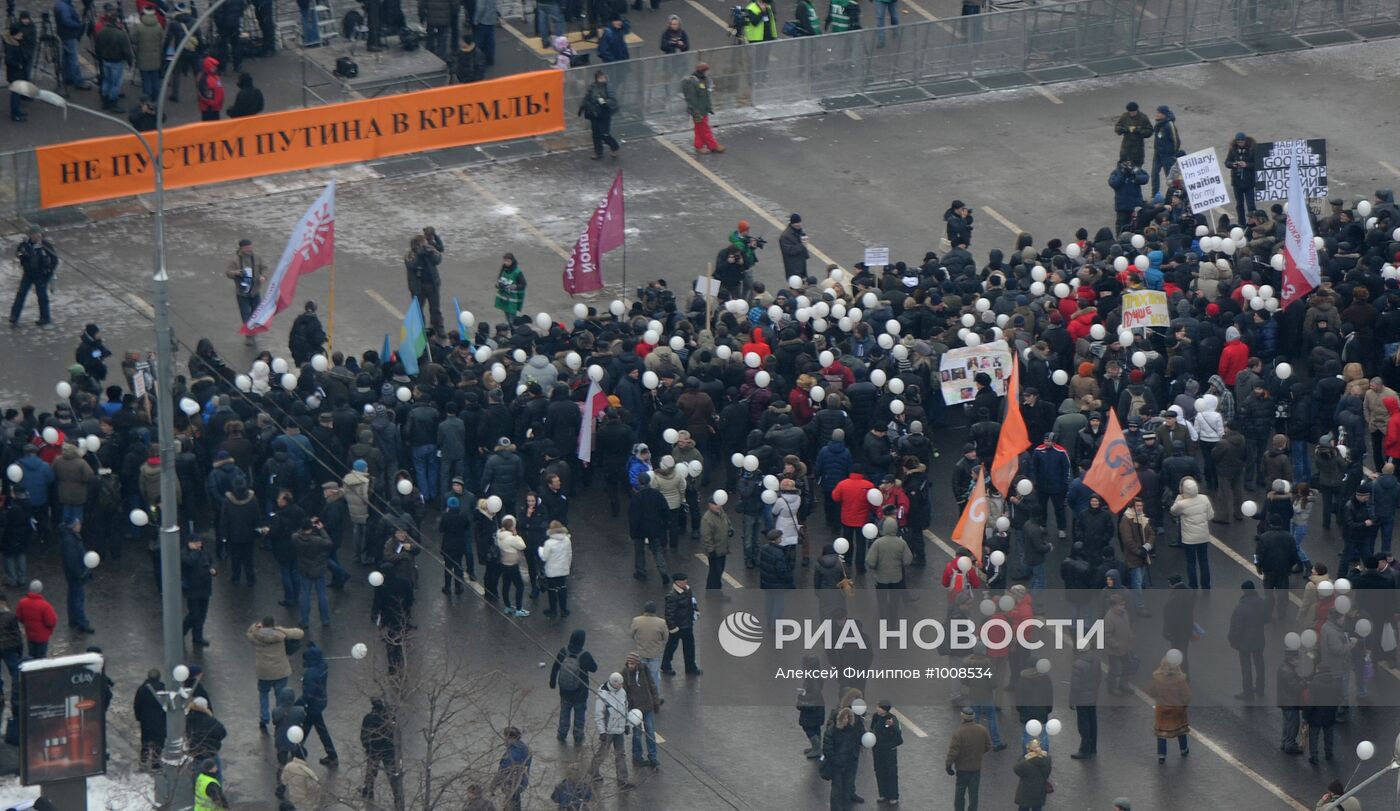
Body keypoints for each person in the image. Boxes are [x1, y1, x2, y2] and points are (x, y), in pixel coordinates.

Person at [246, 616, 305, 732]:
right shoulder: (280, 635)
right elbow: (300, 633)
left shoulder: (256, 636)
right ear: (273, 624)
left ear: (263, 624)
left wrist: (255, 626)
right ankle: (279, 718)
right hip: (280, 672)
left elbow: (249, 633)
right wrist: (281, 629)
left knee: (263, 694)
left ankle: (264, 719)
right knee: (280, 696)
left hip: (264, 673)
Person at [550, 628, 598, 744]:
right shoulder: (585, 655)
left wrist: (552, 682)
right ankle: (578, 737)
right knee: (579, 716)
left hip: (565, 691)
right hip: (580, 693)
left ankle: (562, 733)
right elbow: (594, 668)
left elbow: (555, 667)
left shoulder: (563, 651)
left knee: (564, 713)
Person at [590, 672, 634, 788]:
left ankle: (622, 780)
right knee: (602, 753)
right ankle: (593, 771)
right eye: (620, 684)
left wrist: (626, 724)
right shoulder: (603, 695)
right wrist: (602, 731)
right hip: (608, 731)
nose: (622, 686)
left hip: (619, 730)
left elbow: (625, 709)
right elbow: (599, 715)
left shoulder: (622, 692)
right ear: (614, 683)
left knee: (620, 755)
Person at [945, 705, 992, 811]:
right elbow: (988, 746)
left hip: (962, 769)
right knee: (974, 795)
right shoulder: (982, 730)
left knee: (960, 793)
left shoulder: (958, 733)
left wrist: (948, 765)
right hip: (976, 768)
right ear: (973, 717)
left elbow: (953, 752)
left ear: (962, 717)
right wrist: (978, 753)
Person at [1227, 581, 1268, 699]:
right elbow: (1267, 619)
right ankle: (1260, 688)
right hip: (1259, 639)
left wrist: (1232, 639)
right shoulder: (1262, 603)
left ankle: (1248, 692)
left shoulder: (1241, 607)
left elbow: (1237, 627)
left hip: (1245, 642)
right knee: (1260, 664)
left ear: (1244, 591)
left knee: (1246, 667)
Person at [11, 228, 59, 328]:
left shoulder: (45, 245)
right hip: (28, 274)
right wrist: (22, 255)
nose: (37, 236)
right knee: (21, 294)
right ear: (30, 235)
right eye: (34, 234)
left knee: (42, 297)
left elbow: (54, 259)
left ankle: (45, 318)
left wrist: (49, 270)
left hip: (41, 275)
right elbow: (18, 253)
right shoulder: (25, 244)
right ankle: (14, 317)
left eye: (38, 233)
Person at [300, 642, 338, 766]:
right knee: (314, 727)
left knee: (313, 728)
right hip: (321, 701)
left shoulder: (310, 674)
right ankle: (331, 755)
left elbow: (308, 695)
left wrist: (297, 703)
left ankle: (298, 748)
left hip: (313, 705)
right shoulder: (323, 665)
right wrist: (313, 646)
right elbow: (318, 655)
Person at [1170, 477, 1213, 589]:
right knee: (1204, 561)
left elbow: (1173, 511)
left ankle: (1193, 586)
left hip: (1189, 539)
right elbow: (1210, 515)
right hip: (1203, 536)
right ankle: (1206, 585)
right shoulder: (1204, 498)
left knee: (1191, 563)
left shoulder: (1182, 503)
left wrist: (1179, 498)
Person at [359, 698, 404, 806]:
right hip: (389, 750)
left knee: (371, 770)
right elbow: (396, 734)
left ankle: (368, 790)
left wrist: (367, 747)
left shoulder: (369, 718)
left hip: (374, 749)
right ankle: (397, 797)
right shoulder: (390, 717)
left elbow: (364, 736)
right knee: (391, 773)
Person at [1149, 655, 1190, 763]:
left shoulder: (1158, 679)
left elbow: (1152, 692)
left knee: (1162, 733)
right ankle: (1184, 749)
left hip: (1162, 709)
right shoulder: (1180, 680)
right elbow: (1186, 695)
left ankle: (1161, 755)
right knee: (1180, 730)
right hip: (1177, 709)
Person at [622, 651, 659, 768]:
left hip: (647, 706)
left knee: (650, 733)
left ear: (637, 663)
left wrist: (656, 701)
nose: (631, 666)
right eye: (629, 663)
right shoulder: (624, 674)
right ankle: (637, 757)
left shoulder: (644, 669)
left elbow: (652, 685)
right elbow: (623, 694)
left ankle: (653, 757)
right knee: (637, 735)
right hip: (635, 709)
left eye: (633, 663)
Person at [822, 706, 862, 810]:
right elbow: (828, 750)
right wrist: (837, 761)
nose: (846, 720)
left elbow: (856, 744)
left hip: (848, 766)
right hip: (837, 768)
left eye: (848, 718)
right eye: (844, 718)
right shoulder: (831, 732)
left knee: (847, 791)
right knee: (837, 791)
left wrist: (852, 758)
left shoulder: (852, 730)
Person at [661, 572, 701, 675]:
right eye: (684, 580)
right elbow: (669, 614)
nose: (686, 581)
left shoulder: (687, 590)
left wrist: (695, 611)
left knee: (690, 647)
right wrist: (673, 628)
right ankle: (666, 666)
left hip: (687, 624)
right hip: (678, 627)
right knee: (672, 647)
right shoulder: (672, 596)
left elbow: (692, 602)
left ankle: (691, 667)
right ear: (678, 582)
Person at [94, 7, 132, 113]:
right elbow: (127, 51)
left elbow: (97, 46)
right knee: (116, 84)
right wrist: (130, 61)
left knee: (107, 81)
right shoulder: (121, 34)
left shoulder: (101, 32)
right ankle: (113, 103)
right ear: (116, 20)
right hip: (117, 62)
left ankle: (105, 101)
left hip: (105, 60)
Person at [226, 239, 268, 337]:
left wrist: (264, 276)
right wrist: (237, 273)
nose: (249, 249)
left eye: (250, 246)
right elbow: (228, 273)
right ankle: (248, 335)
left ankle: (252, 329)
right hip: (242, 293)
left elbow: (264, 268)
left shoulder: (257, 258)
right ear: (242, 248)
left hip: (255, 291)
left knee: (256, 313)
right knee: (245, 315)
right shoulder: (235, 260)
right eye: (247, 247)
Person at [180, 536, 215, 646]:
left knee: (202, 615)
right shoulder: (185, 553)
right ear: (190, 543)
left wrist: (213, 570)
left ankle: (197, 637)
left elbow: (210, 562)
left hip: (205, 588)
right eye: (196, 543)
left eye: (200, 543)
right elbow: (189, 562)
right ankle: (181, 632)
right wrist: (195, 552)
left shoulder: (205, 551)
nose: (199, 545)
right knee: (194, 614)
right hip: (192, 588)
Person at [681, 63, 723, 155]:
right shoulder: (693, 82)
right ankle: (713, 146)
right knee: (704, 128)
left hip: (702, 109)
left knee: (699, 128)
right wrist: (696, 111)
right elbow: (691, 98)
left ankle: (699, 146)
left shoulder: (702, 80)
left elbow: (704, 96)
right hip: (698, 110)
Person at [578, 70, 620, 160]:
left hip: (604, 114)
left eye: (604, 77)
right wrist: (581, 107)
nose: (603, 79)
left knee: (604, 134)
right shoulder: (593, 87)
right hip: (594, 113)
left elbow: (613, 100)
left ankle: (614, 146)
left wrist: (605, 102)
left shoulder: (608, 87)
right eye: (600, 78)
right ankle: (598, 153)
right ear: (597, 78)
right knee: (595, 135)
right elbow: (587, 97)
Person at [870, 699, 902, 804]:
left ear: (885, 710)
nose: (877, 709)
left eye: (879, 707)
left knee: (891, 772)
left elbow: (898, 732)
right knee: (879, 771)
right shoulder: (876, 716)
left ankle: (893, 796)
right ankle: (883, 794)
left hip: (889, 750)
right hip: (878, 749)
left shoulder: (892, 719)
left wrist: (891, 726)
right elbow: (872, 729)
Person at [134, 669, 167, 770]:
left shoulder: (142, 689)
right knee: (158, 741)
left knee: (145, 741)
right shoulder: (162, 688)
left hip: (146, 720)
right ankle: (155, 762)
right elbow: (166, 704)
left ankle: (143, 761)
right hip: (159, 719)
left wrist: (139, 717)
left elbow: (137, 705)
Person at [539, 520, 573, 617]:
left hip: (552, 570)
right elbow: (569, 554)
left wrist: (540, 551)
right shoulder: (567, 540)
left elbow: (544, 557)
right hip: (563, 568)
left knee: (552, 589)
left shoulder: (549, 543)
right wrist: (568, 566)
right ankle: (564, 609)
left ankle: (553, 610)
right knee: (562, 588)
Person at [700, 493, 733, 591]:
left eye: (718, 503)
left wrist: (730, 529)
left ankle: (717, 590)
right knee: (714, 573)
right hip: (715, 551)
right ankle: (712, 592)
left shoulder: (721, 512)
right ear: (710, 505)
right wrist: (711, 550)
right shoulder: (707, 519)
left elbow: (728, 522)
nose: (718, 506)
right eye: (715, 504)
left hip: (723, 549)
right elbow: (706, 537)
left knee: (719, 571)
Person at [495, 726, 532, 810]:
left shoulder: (510, 755)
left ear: (510, 738)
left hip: (510, 784)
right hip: (522, 782)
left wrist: (493, 786)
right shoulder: (526, 749)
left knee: (510, 803)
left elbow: (502, 772)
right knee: (516, 801)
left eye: (505, 737)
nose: (504, 740)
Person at [16, 580, 56, 658]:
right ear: (40, 590)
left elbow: (19, 616)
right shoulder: (45, 605)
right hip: (42, 636)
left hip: (30, 634)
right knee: (41, 657)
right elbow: (51, 621)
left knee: (31, 655)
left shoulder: (22, 602)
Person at [5, 19, 33, 122]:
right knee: (15, 95)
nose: (21, 35)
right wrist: (18, 65)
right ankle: (15, 114)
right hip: (15, 74)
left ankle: (17, 111)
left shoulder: (14, 42)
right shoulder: (12, 46)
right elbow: (8, 60)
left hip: (16, 73)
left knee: (16, 94)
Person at [1150, 104, 1181, 198]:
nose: (1157, 114)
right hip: (1158, 154)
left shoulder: (1169, 124)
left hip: (1167, 156)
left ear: (1164, 114)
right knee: (1154, 174)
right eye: (1157, 112)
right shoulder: (1159, 123)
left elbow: (1176, 141)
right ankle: (1155, 195)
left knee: (1170, 177)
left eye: (1159, 112)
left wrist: (1173, 153)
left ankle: (1172, 196)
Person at [1109, 159, 1148, 231]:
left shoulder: (1135, 170)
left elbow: (1145, 178)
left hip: (1135, 206)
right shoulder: (1116, 173)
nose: (1127, 166)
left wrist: (1135, 175)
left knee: (1136, 227)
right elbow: (1114, 183)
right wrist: (1122, 174)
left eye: (1129, 163)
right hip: (1122, 207)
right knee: (1121, 227)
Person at [1226, 132, 1256, 225]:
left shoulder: (1252, 150)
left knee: (1251, 204)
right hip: (1237, 182)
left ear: (1245, 141)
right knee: (1239, 205)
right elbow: (1227, 162)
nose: (1240, 143)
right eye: (1238, 142)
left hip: (1249, 182)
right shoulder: (1233, 150)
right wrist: (1233, 164)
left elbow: (1257, 163)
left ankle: (1253, 222)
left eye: (1242, 141)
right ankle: (1241, 222)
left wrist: (1246, 165)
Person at [1114, 101, 1151, 166]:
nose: (1132, 114)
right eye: (1130, 112)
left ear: (1137, 110)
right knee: (1123, 169)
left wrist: (1139, 130)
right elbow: (1117, 128)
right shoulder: (1124, 116)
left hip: (1138, 149)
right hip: (1126, 148)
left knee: (1137, 170)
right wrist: (1125, 129)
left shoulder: (1143, 117)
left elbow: (1149, 131)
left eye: (1133, 112)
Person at [494, 253, 526, 320]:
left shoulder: (517, 272)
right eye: (505, 260)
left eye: (508, 261)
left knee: (512, 319)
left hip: (512, 301)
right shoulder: (504, 269)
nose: (506, 263)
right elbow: (499, 278)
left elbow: (523, 284)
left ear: (512, 261)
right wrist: (497, 284)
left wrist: (515, 286)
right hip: (504, 299)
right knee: (507, 318)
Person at [196, 55, 224, 121]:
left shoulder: (215, 76)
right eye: (214, 66)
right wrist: (213, 103)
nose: (216, 68)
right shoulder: (204, 79)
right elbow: (203, 95)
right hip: (209, 109)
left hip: (215, 108)